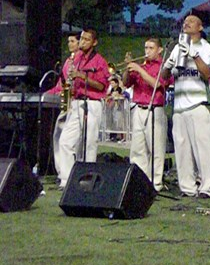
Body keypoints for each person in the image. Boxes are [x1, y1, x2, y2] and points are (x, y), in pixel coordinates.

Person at [162, 15, 210, 198]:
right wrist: (168, 66)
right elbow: (164, 77)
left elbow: (208, 73)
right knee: (182, 149)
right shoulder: (177, 47)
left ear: (200, 27)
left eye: (191, 22)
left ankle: (206, 187)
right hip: (179, 105)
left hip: (198, 103)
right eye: (185, 22)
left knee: (203, 148)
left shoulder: (206, 48)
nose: (186, 23)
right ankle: (187, 187)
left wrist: (194, 54)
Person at [58, 28, 110, 189]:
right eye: (82, 39)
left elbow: (102, 85)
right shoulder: (77, 58)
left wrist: (82, 76)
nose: (83, 42)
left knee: (89, 144)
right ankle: (66, 180)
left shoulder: (99, 61)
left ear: (94, 43)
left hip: (93, 103)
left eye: (87, 39)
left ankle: (88, 181)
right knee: (65, 141)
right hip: (76, 102)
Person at [122, 38, 168, 191]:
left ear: (159, 50)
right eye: (146, 48)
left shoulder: (163, 67)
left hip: (154, 108)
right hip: (138, 108)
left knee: (156, 148)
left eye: (151, 48)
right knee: (138, 148)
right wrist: (127, 69)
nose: (147, 51)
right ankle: (140, 181)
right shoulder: (141, 66)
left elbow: (158, 84)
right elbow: (126, 83)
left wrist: (139, 70)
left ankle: (156, 183)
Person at [46, 32, 80, 178]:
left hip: (75, 102)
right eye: (68, 41)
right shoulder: (68, 61)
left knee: (71, 141)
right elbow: (62, 84)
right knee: (58, 136)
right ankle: (62, 171)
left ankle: (71, 173)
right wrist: (47, 94)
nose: (69, 44)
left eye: (72, 41)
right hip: (66, 102)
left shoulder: (81, 60)